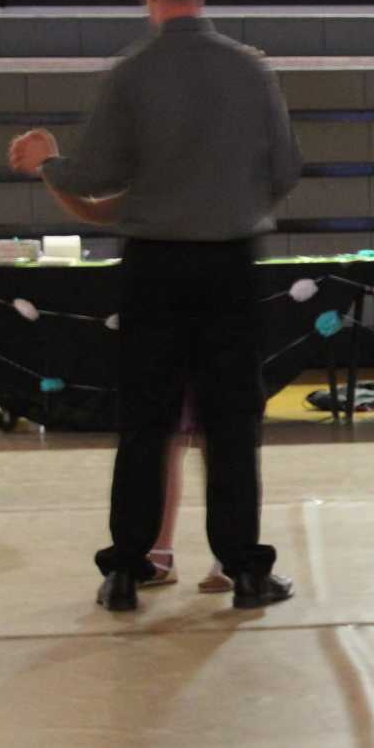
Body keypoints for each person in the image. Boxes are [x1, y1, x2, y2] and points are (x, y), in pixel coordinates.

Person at [8, 0, 302, 611]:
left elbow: (93, 176)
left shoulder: (131, 72)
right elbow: (285, 171)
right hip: (230, 263)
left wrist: (48, 161)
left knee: (146, 418)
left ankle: (127, 568)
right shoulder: (251, 71)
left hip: (155, 266)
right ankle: (244, 570)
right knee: (232, 423)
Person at [41, 187, 231, 594]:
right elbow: (102, 209)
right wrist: (53, 173)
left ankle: (226, 555)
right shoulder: (157, 175)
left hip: (213, 295)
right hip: (165, 301)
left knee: (214, 433)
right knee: (167, 436)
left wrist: (52, 172)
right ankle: (160, 552)